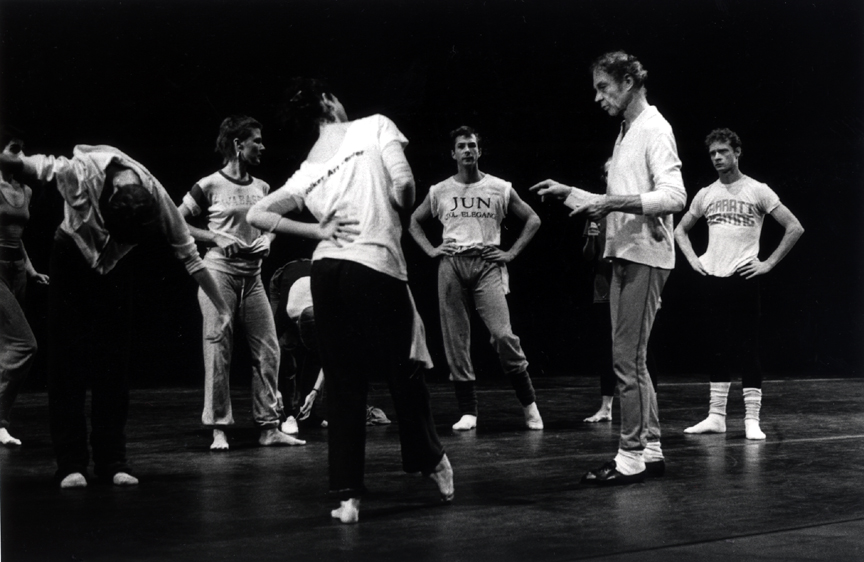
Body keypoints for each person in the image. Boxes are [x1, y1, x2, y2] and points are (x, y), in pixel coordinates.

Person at [247, 78, 453, 524]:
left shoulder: (307, 168)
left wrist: (317, 232)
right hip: (375, 266)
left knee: (343, 384)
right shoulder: (374, 125)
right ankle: (431, 460)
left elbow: (256, 214)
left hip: (328, 273)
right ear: (329, 102)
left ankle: (347, 497)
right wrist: (400, 194)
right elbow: (404, 185)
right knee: (406, 370)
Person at [0, 144, 232, 488]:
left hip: (116, 271)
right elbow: (27, 164)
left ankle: (112, 461)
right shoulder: (79, 172)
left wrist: (223, 306)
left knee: (113, 365)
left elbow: (190, 257)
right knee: (67, 365)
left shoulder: (156, 197)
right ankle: (70, 464)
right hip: (71, 257)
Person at [532, 51, 686, 485]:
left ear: (629, 82)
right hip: (626, 254)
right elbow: (611, 200)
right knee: (632, 361)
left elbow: (675, 196)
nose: (597, 97)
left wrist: (612, 202)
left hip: (644, 256)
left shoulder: (655, 128)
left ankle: (630, 456)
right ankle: (650, 448)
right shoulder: (628, 132)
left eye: (604, 86)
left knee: (626, 361)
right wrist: (569, 192)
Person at [179, 116, 303, 450]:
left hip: (254, 276)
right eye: (256, 141)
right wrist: (214, 237)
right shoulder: (209, 185)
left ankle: (268, 426)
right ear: (238, 144)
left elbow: (270, 223)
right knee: (218, 347)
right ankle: (219, 427)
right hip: (219, 274)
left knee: (268, 348)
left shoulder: (261, 187)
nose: (262, 147)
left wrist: (268, 239)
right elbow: (177, 221)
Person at [409, 126, 543, 432]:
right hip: (452, 264)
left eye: (472, 145)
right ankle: (468, 411)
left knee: (503, 334)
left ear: (479, 152)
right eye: (462, 146)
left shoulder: (499, 187)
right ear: (453, 154)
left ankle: (530, 406)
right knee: (455, 338)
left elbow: (533, 219)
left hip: (486, 263)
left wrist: (510, 253)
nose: (468, 150)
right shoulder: (439, 190)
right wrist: (432, 250)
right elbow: (414, 222)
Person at [675, 128, 803, 440]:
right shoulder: (706, 193)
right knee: (717, 349)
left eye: (723, 151)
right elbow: (680, 230)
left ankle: (751, 420)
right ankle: (716, 416)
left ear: (737, 152)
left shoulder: (758, 190)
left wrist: (768, 263)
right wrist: (695, 260)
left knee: (748, 348)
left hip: (744, 278)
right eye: (712, 153)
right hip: (714, 278)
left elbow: (794, 226)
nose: (717, 158)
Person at [0, 138, 49, 447]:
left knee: (6, 347)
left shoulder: (26, 191)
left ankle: (2, 422)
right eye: (12, 148)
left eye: (21, 150)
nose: (18, 155)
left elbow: (18, 238)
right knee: (23, 344)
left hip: (17, 270)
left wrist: (29, 270)